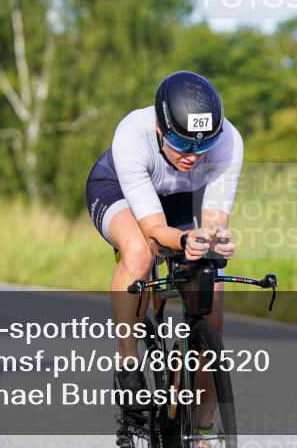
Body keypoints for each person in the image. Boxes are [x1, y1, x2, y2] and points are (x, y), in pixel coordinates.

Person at [86, 71, 242, 396]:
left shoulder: (228, 139)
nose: (193, 155)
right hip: (119, 191)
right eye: (182, 142)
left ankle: (202, 429)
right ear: (160, 129)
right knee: (140, 252)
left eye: (204, 144)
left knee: (210, 291)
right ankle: (128, 364)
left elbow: (213, 219)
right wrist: (185, 241)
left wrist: (214, 239)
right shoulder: (132, 133)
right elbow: (155, 232)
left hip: (184, 199)